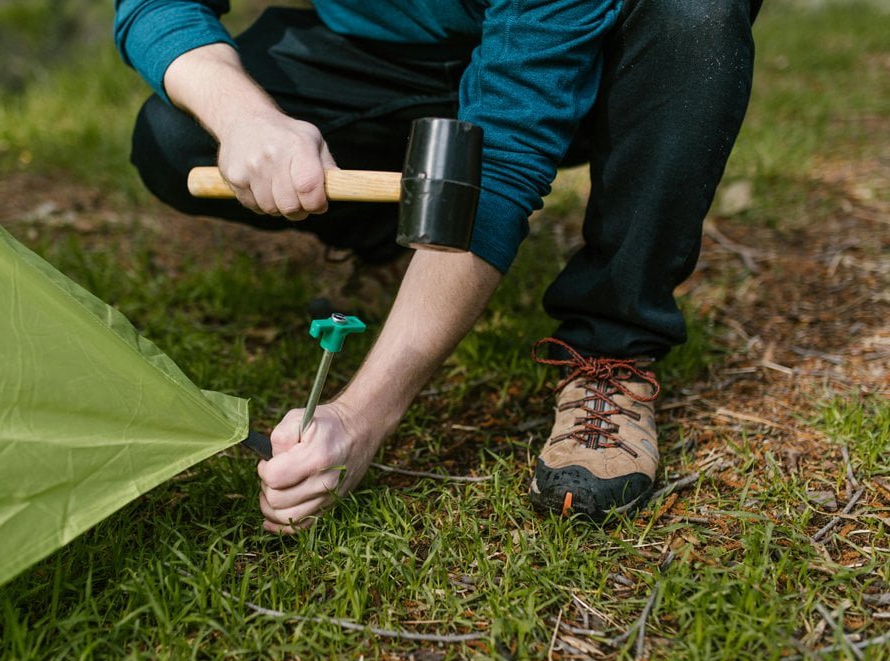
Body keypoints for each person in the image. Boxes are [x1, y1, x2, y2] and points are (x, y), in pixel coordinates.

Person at [114, 0, 761, 533]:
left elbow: (502, 162)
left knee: (693, 16)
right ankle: (394, 238)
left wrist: (359, 418)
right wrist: (246, 118)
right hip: (387, 53)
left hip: (595, 47)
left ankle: (612, 343)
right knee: (179, 134)